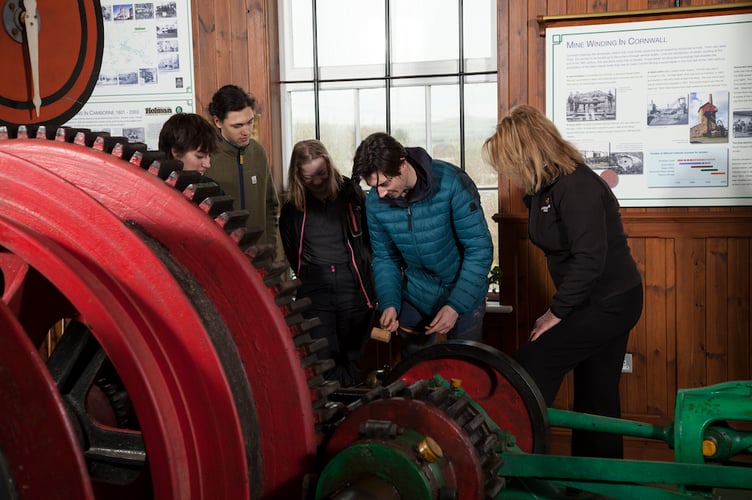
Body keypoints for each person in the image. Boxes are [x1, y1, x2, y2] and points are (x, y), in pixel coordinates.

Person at [482, 104, 643, 459]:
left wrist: (556, 313)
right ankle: (595, 483)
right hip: (592, 299)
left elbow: (589, 260)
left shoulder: (577, 186)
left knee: (532, 364)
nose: (507, 171)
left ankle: (509, 461)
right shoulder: (546, 188)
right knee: (596, 392)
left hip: (611, 300)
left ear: (527, 152)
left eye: (508, 162)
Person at [352, 132, 493, 357]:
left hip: (463, 292)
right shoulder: (376, 201)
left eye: (385, 183)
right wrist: (389, 303)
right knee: (416, 376)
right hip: (417, 295)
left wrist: (456, 306)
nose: (380, 193)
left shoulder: (452, 183)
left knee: (465, 373)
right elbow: (385, 257)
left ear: (403, 163)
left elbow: (480, 249)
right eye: (373, 186)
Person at [279, 139, 375, 387]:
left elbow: (369, 239)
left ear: (329, 167)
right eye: (309, 177)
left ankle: (353, 414)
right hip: (314, 289)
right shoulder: (293, 208)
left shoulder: (350, 193)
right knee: (322, 360)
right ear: (298, 175)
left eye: (321, 173)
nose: (318, 181)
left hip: (353, 286)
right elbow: (291, 250)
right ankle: (332, 415)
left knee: (352, 358)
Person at [208, 84, 280, 246]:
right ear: (218, 122)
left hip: (260, 256)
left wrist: (270, 245)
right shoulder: (206, 157)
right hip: (224, 255)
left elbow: (271, 205)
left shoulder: (258, 152)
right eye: (237, 126)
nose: (246, 131)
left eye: (250, 122)